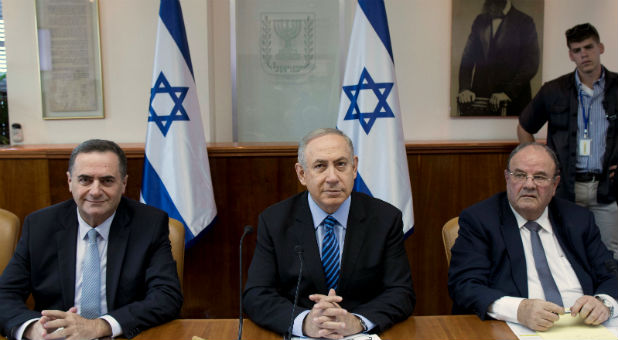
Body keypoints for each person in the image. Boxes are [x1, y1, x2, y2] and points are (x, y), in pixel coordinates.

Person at [0, 139, 183, 340]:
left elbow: (166, 296)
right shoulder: (40, 225)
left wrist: (100, 326)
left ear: (123, 183)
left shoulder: (149, 224)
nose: (95, 191)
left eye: (107, 180)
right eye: (85, 180)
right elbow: (4, 295)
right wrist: (33, 328)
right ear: (70, 182)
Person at [242, 128, 415, 339]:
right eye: (320, 166)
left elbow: (400, 293)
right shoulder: (275, 221)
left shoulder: (385, 219)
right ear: (302, 174)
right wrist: (305, 322)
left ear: (354, 168)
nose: (332, 177)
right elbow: (257, 295)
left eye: (341, 164)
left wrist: (357, 321)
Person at [448, 143, 618, 331]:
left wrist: (603, 302)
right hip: (514, 329)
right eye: (520, 175)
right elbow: (465, 285)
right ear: (507, 178)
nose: (529, 184)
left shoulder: (578, 219)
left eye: (540, 177)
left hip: (583, 327)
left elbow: (611, 273)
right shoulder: (480, 220)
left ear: (555, 185)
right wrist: (519, 309)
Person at [518, 23, 618, 261]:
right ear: (570, 55)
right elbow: (524, 127)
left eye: (588, 47)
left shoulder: (617, 88)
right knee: (565, 254)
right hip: (565, 188)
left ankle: (608, 299)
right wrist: (537, 166)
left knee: (610, 257)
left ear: (600, 47)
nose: (584, 54)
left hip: (608, 188)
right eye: (577, 50)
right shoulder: (554, 90)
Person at [457, 0, 539, 116]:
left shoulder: (525, 22)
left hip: (513, 103)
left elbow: (531, 64)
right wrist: (465, 89)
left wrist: (508, 93)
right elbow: (467, 58)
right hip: (481, 103)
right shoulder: (480, 20)